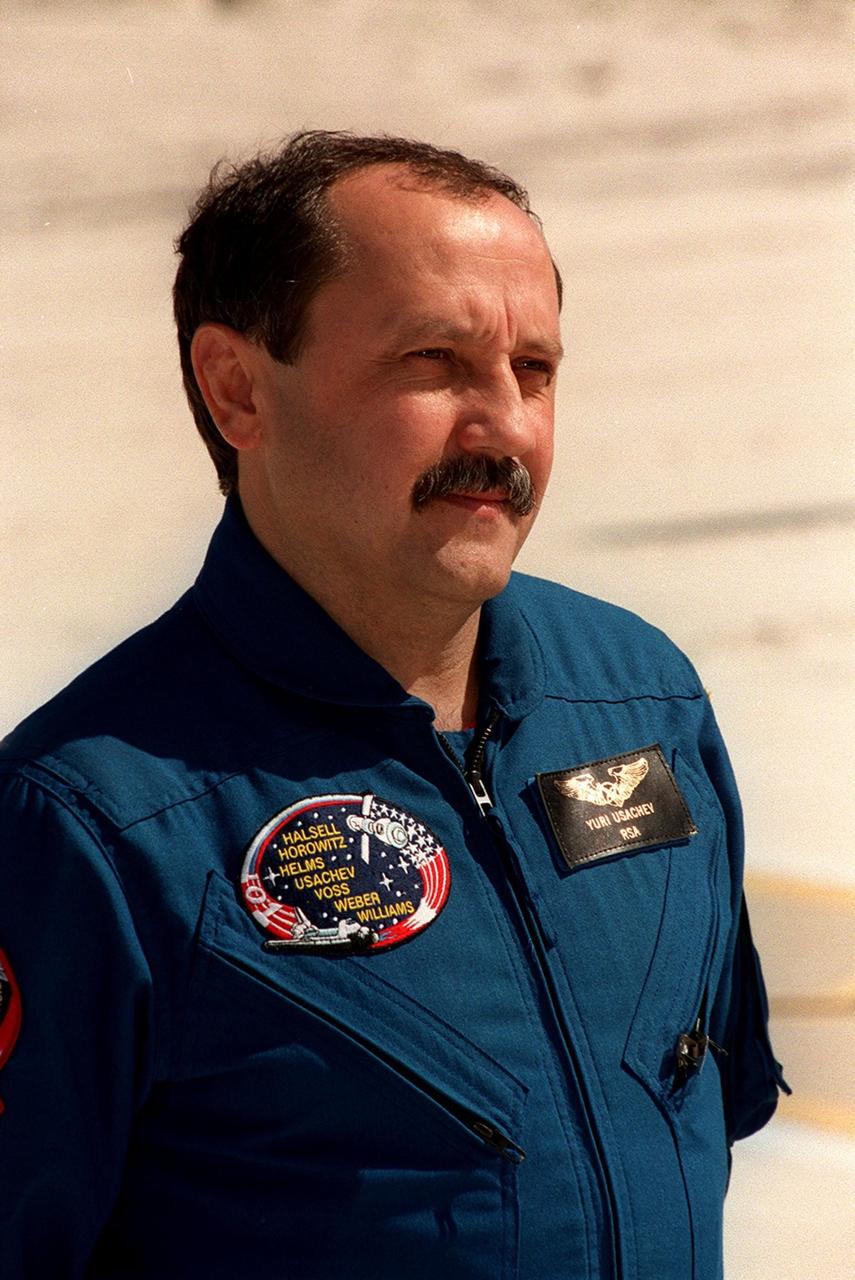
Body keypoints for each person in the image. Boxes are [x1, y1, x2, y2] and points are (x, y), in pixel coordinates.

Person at [0, 131, 787, 1279]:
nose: (507, 426)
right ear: (237, 390)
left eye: (536, 370)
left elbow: (700, 1103)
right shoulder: (94, 824)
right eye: (435, 362)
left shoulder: (639, 697)